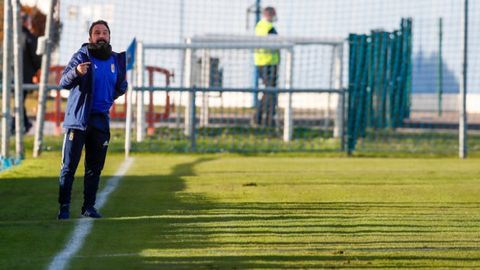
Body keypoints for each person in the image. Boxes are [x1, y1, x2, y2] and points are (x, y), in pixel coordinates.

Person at [57, 20, 127, 219]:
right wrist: (76, 72)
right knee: (69, 167)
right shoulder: (81, 56)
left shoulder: (116, 60)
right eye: (97, 32)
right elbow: (63, 82)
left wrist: (115, 93)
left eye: (105, 32)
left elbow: (119, 85)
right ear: (90, 38)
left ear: (109, 37)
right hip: (78, 121)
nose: (101, 35)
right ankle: (64, 207)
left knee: (94, 168)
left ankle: (89, 207)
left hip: (100, 121)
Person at [254, 6, 279, 127]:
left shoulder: (260, 26)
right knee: (270, 91)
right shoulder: (268, 28)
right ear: (269, 14)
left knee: (268, 91)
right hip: (268, 63)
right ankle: (263, 118)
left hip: (262, 62)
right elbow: (273, 45)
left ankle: (264, 118)